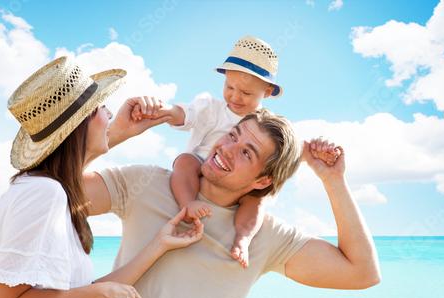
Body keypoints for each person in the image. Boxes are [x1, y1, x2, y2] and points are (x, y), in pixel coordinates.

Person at [82, 107, 380, 298]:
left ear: (263, 180)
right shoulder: (146, 183)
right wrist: (118, 132)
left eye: (246, 153)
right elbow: (56, 193)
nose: (226, 149)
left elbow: (362, 273)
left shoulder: (264, 236)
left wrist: (332, 180)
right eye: (233, 135)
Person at [0, 57, 203, 298]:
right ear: (80, 124)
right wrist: (99, 294)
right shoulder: (43, 193)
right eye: (103, 107)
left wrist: (160, 244)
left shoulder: (49, 192)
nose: (109, 113)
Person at [130, 35, 339, 268]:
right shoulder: (211, 107)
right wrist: (165, 111)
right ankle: (187, 203)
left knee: (258, 200)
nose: (235, 96)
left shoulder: (267, 127)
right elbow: (185, 114)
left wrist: (322, 150)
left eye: (246, 93)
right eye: (229, 87)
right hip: (200, 164)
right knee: (185, 161)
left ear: (267, 91)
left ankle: (242, 239)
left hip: (240, 185)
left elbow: (296, 150)